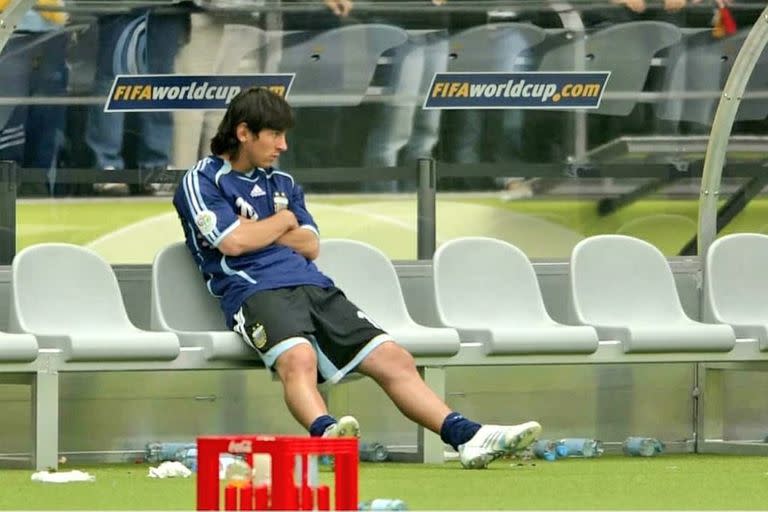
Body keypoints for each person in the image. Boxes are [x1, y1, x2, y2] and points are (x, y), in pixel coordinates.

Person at [172, 87, 542, 469]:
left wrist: (268, 226)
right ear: (244, 132)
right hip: (254, 291)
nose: (283, 146)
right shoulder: (201, 180)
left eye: (285, 136)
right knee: (298, 359)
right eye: (275, 135)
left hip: (314, 285)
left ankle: (470, 437)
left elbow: (311, 244)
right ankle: (327, 436)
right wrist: (282, 224)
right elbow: (233, 242)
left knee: (394, 358)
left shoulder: (282, 183)